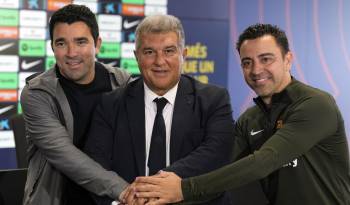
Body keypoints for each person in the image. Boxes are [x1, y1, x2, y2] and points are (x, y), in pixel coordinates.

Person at [134, 23, 350, 205]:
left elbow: (264, 161)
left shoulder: (316, 105)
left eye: (266, 59)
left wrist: (182, 189)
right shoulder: (249, 119)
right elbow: (223, 170)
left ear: (288, 59)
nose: (256, 70)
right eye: (247, 62)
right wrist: (154, 192)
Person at [84, 14, 235, 205]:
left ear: (184, 55)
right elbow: (95, 167)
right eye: (149, 52)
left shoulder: (214, 100)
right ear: (136, 56)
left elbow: (216, 154)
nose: (159, 61)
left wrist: (148, 189)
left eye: (169, 51)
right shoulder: (110, 104)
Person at [20, 4, 131, 205]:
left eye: (81, 42)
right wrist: (125, 191)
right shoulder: (36, 93)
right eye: (61, 43)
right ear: (52, 46)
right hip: (60, 199)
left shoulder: (123, 82)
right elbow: (67, 157)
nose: (71, 53)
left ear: (97, 44)